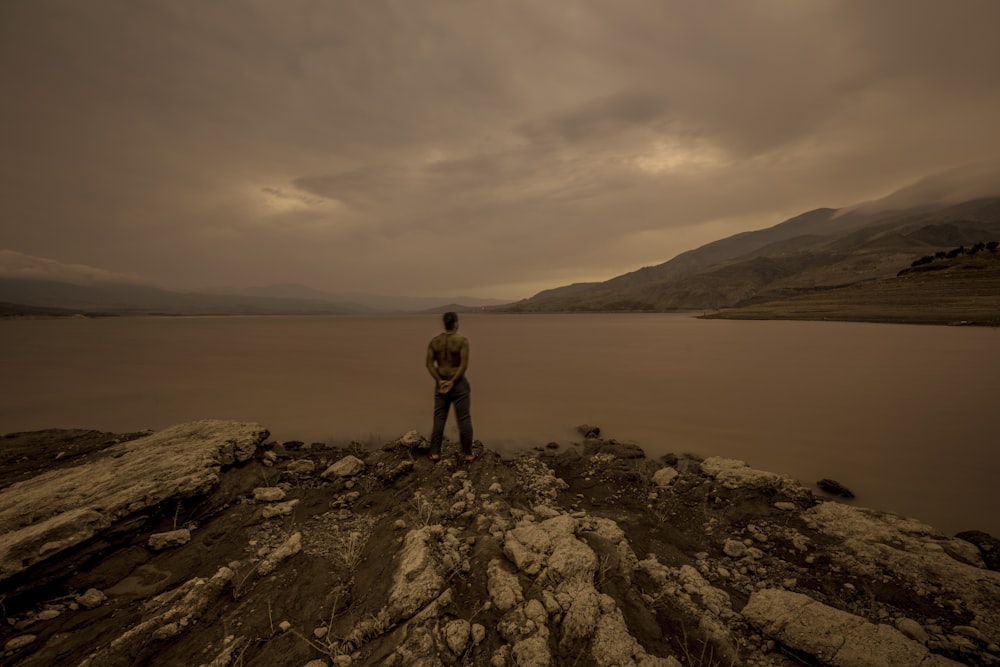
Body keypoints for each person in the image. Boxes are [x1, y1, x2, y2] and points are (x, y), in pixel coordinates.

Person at [425, 311, 474, 462]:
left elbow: (429, 364)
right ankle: (467, 454)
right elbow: (463, 365)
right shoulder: (462, 341)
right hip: (458, 384)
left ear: (445, 324)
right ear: (456, 324)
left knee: (439, 418)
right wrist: (452, 381)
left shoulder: (434, 341)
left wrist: (440, 380)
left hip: (441, 383)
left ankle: (435, 453)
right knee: (464, 418)